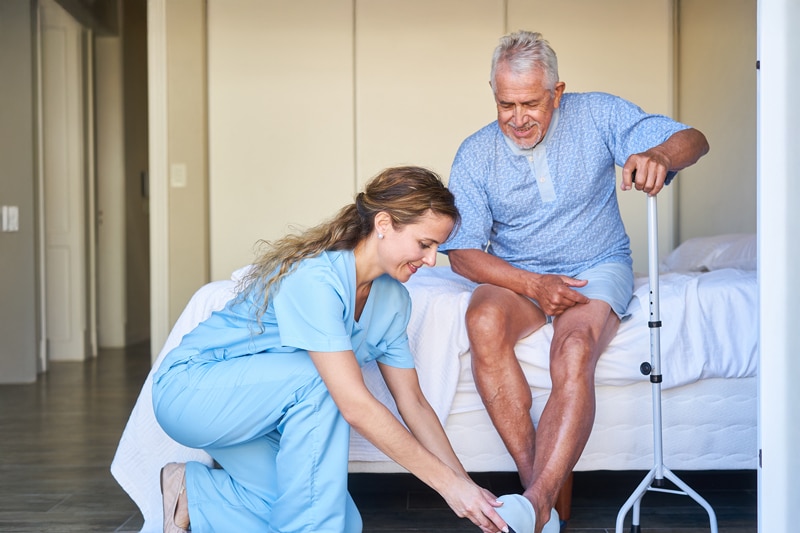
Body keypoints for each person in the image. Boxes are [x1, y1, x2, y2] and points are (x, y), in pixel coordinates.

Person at [438, 31, 710, 533]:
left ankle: (535, 505)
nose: (517, 119)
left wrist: (662, 157)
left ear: (558, 92)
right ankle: (542, 487)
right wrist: (535, 285)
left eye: (531, 103)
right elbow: (462, 254)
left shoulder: (598, 113)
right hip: (519, 272)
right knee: (483, 318)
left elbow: (694, 138)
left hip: (596, 263)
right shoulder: (475, 153)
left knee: (574, 348)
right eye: (505, 104)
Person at [151, 166, 510, 533]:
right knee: (325, 381)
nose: (432, 260)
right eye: (424, 244)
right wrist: (445, 485)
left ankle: (192, 493)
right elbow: (354, 405)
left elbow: (414, 404)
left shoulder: (393, 300)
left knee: (341, 523)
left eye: (437, 247)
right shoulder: (316, 280)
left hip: (255, 419)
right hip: (191, 392)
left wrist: (465, 486)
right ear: (383, 223)